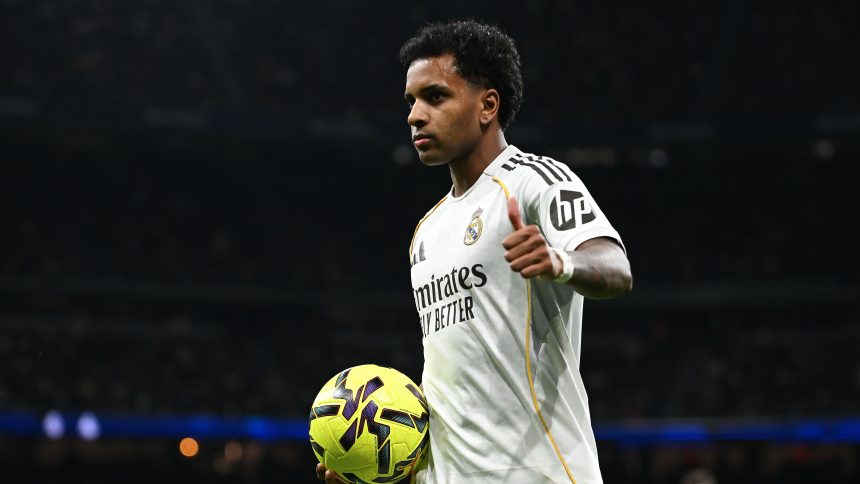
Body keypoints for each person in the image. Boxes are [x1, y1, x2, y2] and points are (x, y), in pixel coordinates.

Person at [318, 19, 632, 484]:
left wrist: (561, 261)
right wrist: (387, 464)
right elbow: (451, 376)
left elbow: (615, 266)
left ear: (488, 105)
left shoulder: (533, 181)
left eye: (435, 96)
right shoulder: (426, 232)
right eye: (411, 101)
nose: (415, 115)